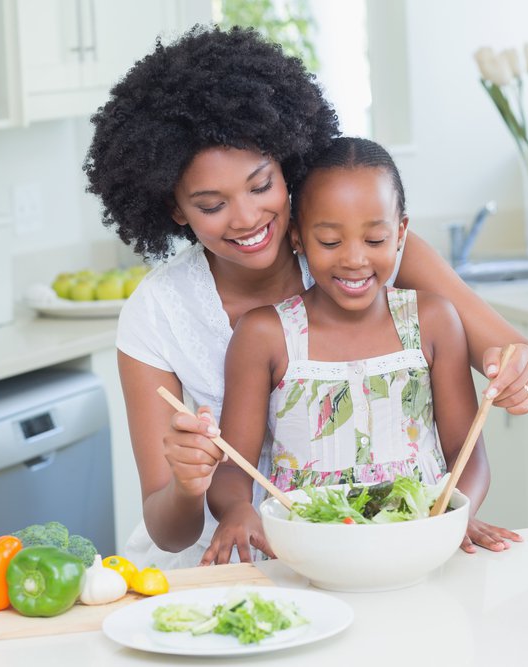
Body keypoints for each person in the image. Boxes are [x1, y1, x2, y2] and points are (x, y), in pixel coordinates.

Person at [84, 25, 528, 569]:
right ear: (173, 209)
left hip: (380, 547)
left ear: (289, 164)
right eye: (212, 205)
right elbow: (168, 532)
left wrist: (527, 374)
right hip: (227, 564)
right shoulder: (157, 312)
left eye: (261, 186)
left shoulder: (378, 257)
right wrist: (189, 485)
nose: (246, 218)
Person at [204, 137, 492, 563]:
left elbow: (468, 453)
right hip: (307, 556)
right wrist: (236, 510)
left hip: (419, 547)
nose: (355, 259)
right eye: (330, 242)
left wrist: (455, 511)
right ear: (298, 238)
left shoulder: (433, 321)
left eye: (375, 240)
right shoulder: (265, 333)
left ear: (401, 233)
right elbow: (231, 468)